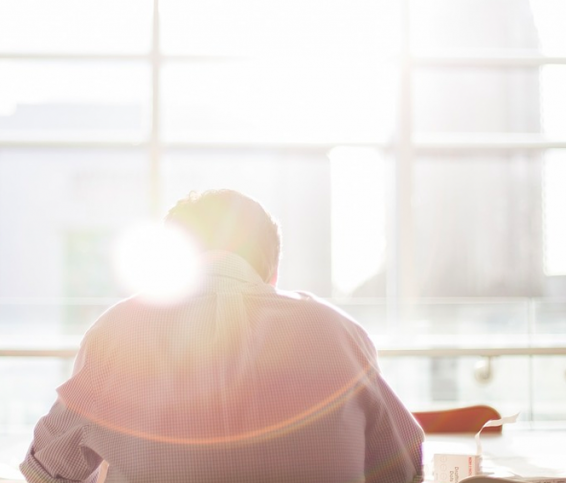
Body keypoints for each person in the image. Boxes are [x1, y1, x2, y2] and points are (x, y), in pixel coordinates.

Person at [21, 189, 424, 483]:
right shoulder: (337, 333)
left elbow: (45, 473)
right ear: (273, 272)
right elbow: (404, 467)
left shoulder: (119, 332)